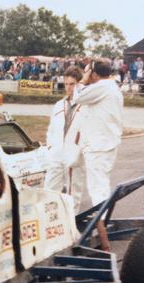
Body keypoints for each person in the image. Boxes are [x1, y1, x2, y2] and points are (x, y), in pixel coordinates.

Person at [72, 58, 124, 251]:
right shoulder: (111, 87)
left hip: (99, 147)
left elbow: (77, 95)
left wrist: (83, 79)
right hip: (103, 145)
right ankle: (103, 236)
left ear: (93, 73)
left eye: (88, 72)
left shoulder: (102, 86)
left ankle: (104, 243)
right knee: (99, 188)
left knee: (97, 190)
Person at [44, 66, 85, 214]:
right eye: (66, 84)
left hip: (74, 155)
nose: (69, 88)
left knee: (73, 193)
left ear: (79, 84)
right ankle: (49, 222)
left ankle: (71, 227)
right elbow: (51, 130)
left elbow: (87, 132)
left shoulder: (85, 106)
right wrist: (50, 148)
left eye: (72, 84)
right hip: (56, 154)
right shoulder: (58, 105)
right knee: (49, 191)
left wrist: (79, 152)